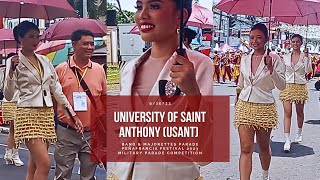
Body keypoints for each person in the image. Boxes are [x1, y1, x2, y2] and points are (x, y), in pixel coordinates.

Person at [107, 0, 213, 179]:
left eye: (154, 6)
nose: (142, 15)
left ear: (181, 16)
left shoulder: (198, 66)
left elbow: (205, 154)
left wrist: (192, 92)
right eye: (139, 6)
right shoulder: (128, 68)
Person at [4, 21, 81, 180]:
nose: (35, 40)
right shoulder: (13, 61)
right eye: (30, 36)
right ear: (20, 39)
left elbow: (56, 89)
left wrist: (72, 114)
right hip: (27, 114)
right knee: (45, 163)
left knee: (34, 166)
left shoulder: (44, 60)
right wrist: (12, 72)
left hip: (46, 115)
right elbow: (9, 94)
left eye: (37, 36)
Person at [234, 23, 286, 180]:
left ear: (266, 39)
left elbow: (282, 86)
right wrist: (237, 103)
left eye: (259, 37)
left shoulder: (275, 59)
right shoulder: (244, 58)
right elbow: (241, 84)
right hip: (244, 106)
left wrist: (271, 69)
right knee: (245, 148)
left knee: (263, 147)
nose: (254, 41)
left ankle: (264, 175)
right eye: (251, 37)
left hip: (264, 107)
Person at [54, 29, 107, 180]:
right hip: (66, 132)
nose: (90, 47)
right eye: (86, 44)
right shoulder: (60, 70)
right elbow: (54, 100)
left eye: (92, 44)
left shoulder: (99, 70)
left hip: (92, 133)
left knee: (88, 176)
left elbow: (104, 99)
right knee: (62, 175)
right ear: (74, 44)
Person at [279, 34, 312, 152]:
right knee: (287, 112)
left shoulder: (305, 56)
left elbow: (308, 71)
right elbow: (281, 71)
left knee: (299, 112)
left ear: (301, 43)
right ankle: (287, 139)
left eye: (298, 42)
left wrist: (307, 58)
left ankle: (299, 132)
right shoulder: (285, 56)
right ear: (290, 43)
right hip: (287, 85)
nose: (295, 44)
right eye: (293, 42)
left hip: (300, 86)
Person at [2, 53, 24, 167]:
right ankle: (13, 154)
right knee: (16, 130)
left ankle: (9, 153)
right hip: (13, 100)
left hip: (16, 100)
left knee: (13, 130)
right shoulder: (12, 63)